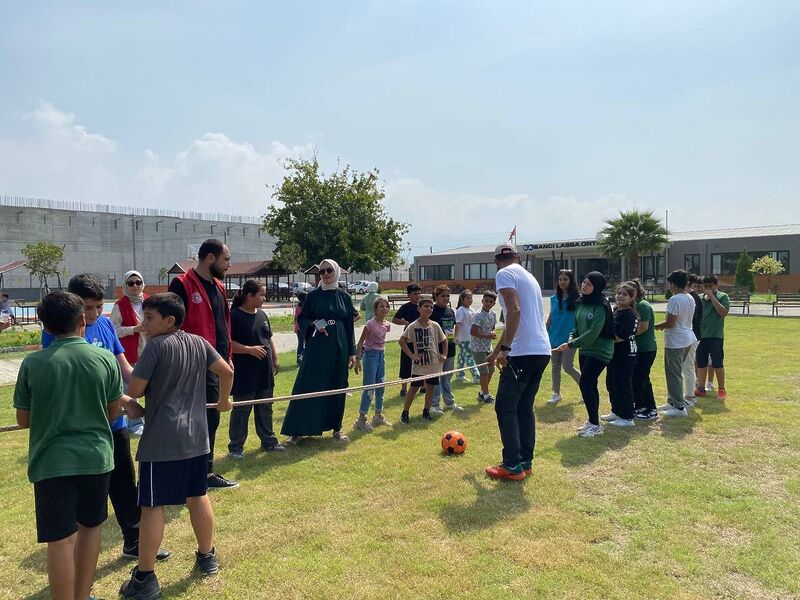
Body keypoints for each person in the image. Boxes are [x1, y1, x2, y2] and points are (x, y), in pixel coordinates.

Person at [41, 274, 169, 563]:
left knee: (124, 483)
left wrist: (142, 387)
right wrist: (123, 400)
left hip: (114, 424)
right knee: (84, 500)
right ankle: (73, 556)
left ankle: (134, 542)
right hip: (82, 428)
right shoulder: (56, 332)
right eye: (88, 308)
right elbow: (70, 380)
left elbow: (121, 363)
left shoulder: (104, 325)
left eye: (99, 307)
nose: (94, 314)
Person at [119, 293, 234, 598]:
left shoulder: (156, 347)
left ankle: (144, 578)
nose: (144, 324)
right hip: (197, 438)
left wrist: (129, 402)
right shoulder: (199, 342)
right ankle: (207, 556)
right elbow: (227, 371)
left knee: (153, 505)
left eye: (150, 318)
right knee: (197, 495)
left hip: (162, 441)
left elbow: (135, 390)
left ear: (169, 320)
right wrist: (224, 401)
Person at [14, 291, 123, 600]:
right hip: (97, 458)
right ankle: (83, 594)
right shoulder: (103, 358)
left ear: (45, 326)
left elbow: (24, 419)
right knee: (91, 529)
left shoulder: (33, 363)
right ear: (81, 320)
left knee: (60, 540)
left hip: (51, 462)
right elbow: (113, 411)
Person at [169, 238, 238, 490]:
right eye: (226, 259)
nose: (229, 264)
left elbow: (223, 324)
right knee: (193, 420)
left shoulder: (219, 286)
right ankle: (193, 472)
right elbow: (171, 326)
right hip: (193, 365)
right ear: (211, 258)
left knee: (212, 418)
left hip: (218, 363)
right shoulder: (181, 284)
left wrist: (228, 355)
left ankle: (204, 471)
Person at [483, 243, 551, 481]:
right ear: (517, 258)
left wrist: (505, 349)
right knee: (524, 407)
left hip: (523, 353)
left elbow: (514, 311)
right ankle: (525, 461)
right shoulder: (529, 276)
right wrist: (495, 354)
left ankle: (512, 465)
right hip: (541, 350)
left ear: (495, 261)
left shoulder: (504, 274)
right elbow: (517, 319)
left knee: (505, 406)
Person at [281, 259, 357, 444]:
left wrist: (352, 352)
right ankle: (297, 430)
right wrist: (316, 323)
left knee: (337, 385)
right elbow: (303, 318)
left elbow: (349, 326)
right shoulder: (313, 296)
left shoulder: (344, 297)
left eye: (329, 270)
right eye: (322, 271)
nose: (325, 274)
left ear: (336, 271)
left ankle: (336, 428)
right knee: (307, 384)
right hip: (318, 346)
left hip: (339, 346)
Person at [553, 271, 615, 438]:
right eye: (583, 282)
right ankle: (592, 421)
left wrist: (571, 344)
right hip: (585, 350)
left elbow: (594, 332)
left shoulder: (601, 305)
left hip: (600, 350)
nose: (584, 286)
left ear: (597, 286)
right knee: (588, 385)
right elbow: (576, 327)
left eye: (588, 283)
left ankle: (595, 425)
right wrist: (571, 337)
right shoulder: (580, 302)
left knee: (586, 382)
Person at [227, 279, 283, 459]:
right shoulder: (234, 316)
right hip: (245, 374)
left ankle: (269, 442)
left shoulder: (262, 315)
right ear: (249, 295)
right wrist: (248, 350)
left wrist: (275, 359)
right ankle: (236, 447)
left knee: (266, 407)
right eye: (261, 295)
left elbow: (269, 338)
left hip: (264, 372)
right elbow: (227, 344)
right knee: (242, 410)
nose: (264, 298)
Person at [654, 270, 697, 417]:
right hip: (687, 338)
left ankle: (679, 407)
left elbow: (670, 322)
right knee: (675, 372)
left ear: (672, 284)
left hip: (676, 341)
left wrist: (656, 326)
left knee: (674, 373)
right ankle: (672, 401)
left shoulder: (675, 299)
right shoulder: (690, 297)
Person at [111, 270, 148, 437]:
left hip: (149, 350)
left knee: (151, 388)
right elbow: (114, 330)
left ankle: (151, 420)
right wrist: (134, 329)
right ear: (125, 285)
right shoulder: (120, 305)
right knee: (130, 388)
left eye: (138, 282)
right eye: (130, 283)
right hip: (129, 354)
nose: (135, 286)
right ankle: (135, 424)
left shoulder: (149, 301)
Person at [399, 298, 447, 423]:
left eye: (431, 307)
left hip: (433, 364)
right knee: (414, 388)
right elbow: (402, 341)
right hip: (420, 364)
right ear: (419, 308)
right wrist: (412, 355)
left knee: (430, 387)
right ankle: (405, 412)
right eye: (426, 306)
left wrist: (444, 354)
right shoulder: (413, 326)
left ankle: (426, 411)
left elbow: (444, 340)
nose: (429, 309)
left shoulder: (435, 325)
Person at [601, 283, 639, 427]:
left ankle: (627, 416)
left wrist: (602, 333)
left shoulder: (629, 314)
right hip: (614, 355)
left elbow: (619, 337)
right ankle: (616, 411)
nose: (620, 296)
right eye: (619, 293)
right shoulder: (616, 311)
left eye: (624, 294)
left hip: (626, 355)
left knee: (623, 385)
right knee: (612, 383)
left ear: (631, 298)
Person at [353, 296, 393, 431]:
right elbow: (360, 343)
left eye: (386, 306)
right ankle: (361, 419)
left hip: (381, 355)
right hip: (370, 356)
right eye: (381, 306)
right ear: (375, 309)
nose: (385, 308)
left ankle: (378, 415)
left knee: (381, 386)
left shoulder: (387, 325)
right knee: (369, 387)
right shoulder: (370, 324)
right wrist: (358, 359)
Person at [545, 269, 581, 405]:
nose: (562, 282)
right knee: (555, 367)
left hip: (570, 339)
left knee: (567, 367)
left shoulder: (578, 300)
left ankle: (586, 389)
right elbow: (551, 318)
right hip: (553, 337)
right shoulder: (554, 299)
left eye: (565, 279)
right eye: (560, 279)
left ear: (571, 281)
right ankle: (556, 394)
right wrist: (544, 332)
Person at [694, 274, 731, 400]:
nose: (707, 289)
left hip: (715, 336)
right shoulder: (699, 298)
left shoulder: (722, 296)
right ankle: (701, 387)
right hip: (701, 336)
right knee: (701, 363)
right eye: (704, 286)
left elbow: (723, 312)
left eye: (710, 286)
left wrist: (712, 298)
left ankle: (721, 389)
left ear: (716, 285)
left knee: (717, 363)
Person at [431, 284, 463, 413]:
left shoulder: (450, 311)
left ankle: (449, 402)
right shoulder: (432, 311)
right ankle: (434, 404)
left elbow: (453, 328)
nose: (445, 298)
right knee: (437, 378)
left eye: (447, 296)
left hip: (450, 348)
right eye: (442, 296)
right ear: (436, 297)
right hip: (437, 350)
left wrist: (455, 338)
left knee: (447, 377)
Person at [630, 279, 658, 421]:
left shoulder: (643, 305)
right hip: (636, 348)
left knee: (642, 378)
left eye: (632, 290)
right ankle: (640, 405)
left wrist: (625, 334)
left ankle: (651, 408)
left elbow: (643, 327)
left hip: (646, 348)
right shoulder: (632, 305)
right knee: (635, 378)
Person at [392, 283, 421, 397]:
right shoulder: (406, 307)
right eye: (415, 294)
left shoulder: (423, 306)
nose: (418, 296)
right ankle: (403, 388)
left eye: (419, 293)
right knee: (405, 363)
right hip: (408, 338)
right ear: (409, 295)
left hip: (420, 338)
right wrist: (405, 322)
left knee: (420, 362)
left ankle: (422, 385)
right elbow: (394, 319)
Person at [470, 290, 498, 403]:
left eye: (490, 301)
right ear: (482, 301)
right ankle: (486, 396)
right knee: (484, 372)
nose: (488, 303)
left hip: (488, 347)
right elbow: (473, 332)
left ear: (494, 303)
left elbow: (493, 327)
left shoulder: (493, 314)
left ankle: (482, 392)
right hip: (478, 348)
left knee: (491, 370)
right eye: (486, 301)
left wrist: (493, 333)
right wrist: (487, 336)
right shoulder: (478, 315)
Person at [682, 274, 704, 408]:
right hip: (690, 336)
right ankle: (689, 395)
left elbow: (689, 319)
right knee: (686, 367)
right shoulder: (691, 297)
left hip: (692, 336)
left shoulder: (692, 298)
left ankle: (690, 397)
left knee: (687, 367)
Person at [454, 289, 480, 383]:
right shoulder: (460, 310)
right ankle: (476, 376)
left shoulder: (472, 310)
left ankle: (459, 374)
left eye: (471, 298)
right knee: (469, 356)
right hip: (463, 338)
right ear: (462, 299)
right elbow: (458, 324)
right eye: (468, 298)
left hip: (471, 337)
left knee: (462, 355)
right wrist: (456, 337)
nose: (470, 300)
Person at [294, 290, 308, 364]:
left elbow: (295, 317)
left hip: (298, 327)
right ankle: (302, 357)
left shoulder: (298, 306)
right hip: (303, 328)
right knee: (307, 343)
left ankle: (299, 359)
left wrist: (295, 326)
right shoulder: (305, 307)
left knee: (300, 343)